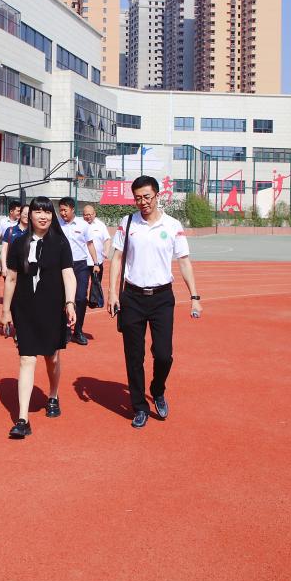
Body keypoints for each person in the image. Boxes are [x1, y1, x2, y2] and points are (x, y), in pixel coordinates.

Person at [108, 176, 202, 429]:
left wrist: (194, 297)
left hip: (162, 298)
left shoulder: (172, 225)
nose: (143, 202)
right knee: (134, 356)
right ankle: (139, 406)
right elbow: (116, 259)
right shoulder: (127, 223)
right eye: (138, 198)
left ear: (157, 195)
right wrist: (113, 293)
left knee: (163, 355)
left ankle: (157, 389)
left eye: (147, 197)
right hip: (132, 297)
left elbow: (184, 261)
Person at [0, 196, 77, 439]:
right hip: (24, 309)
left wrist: (70, 302)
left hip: (53, 308)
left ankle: (52, 395)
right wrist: (5, 311)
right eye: (38, 212)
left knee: (51, 357)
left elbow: (68, 274)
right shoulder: (19, 243)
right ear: (29, 215)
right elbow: (11, 278)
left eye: (47, 212)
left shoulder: (60, 243)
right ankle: (23, 419)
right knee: (26, 358)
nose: (43, 216)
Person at [57, 197, 98, 345]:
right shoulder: (56, 225)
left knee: (80, 298)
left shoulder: (83, 225)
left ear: (72, 209)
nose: (62, 213)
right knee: (63, 298)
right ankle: (65, 330)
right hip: (61, 266)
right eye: (60, 210)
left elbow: (90, 244)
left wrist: (96, 263)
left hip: (80, 266)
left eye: (65, 210)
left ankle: (78, 331)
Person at [0, 204, 29, 277]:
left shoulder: (33, 232)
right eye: (25, 214)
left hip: (27, 270)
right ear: (19, 215)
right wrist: (4, 267)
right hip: (11, 268)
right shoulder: (10, 230)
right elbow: (4, 250)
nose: (27, 216)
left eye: (29, 214)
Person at [0, 200, 22, 267]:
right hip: (6, 252)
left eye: (21, 211)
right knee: (4, 270)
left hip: (19, 253)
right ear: (11, 211)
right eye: (18, 211)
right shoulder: (3, 221)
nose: (20, 213)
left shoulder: (22, 222)